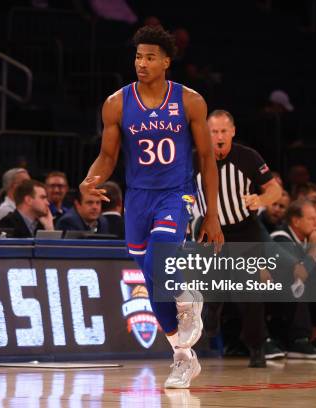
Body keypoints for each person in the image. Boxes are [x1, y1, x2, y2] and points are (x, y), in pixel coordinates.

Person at [79, 25, 223, 389]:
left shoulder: (190, 100)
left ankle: (188, 298)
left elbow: (207, 158)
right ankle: (182, 358)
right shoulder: (116, 103)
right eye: (138, 57)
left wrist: (212, 213)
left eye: (150, 57)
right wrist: (90, 180)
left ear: (166, 62)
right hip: (138, 198)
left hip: (175, 193)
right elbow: (107, 156)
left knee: (161, 259)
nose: (141, 63)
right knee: (152, 279)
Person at [196, 110, 282, 368]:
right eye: (214, 131)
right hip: (210, 230)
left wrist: (261, 199)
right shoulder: (194, 158)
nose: (219, 136)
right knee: (212, 284)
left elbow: (275, 189)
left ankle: (256, 347)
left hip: (245, 230)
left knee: (251, 292)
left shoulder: (248, 157)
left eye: (224, 131)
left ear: (232, 131)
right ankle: (212, 310)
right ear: (206, 133)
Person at [269, 200, 316, 359]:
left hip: (289, 296)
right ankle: (298, 340)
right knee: (297, 285)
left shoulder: (306, 239)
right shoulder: (280, 237)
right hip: (269, 293)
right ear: (296, 221)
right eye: (311, 219)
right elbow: (299, 275)